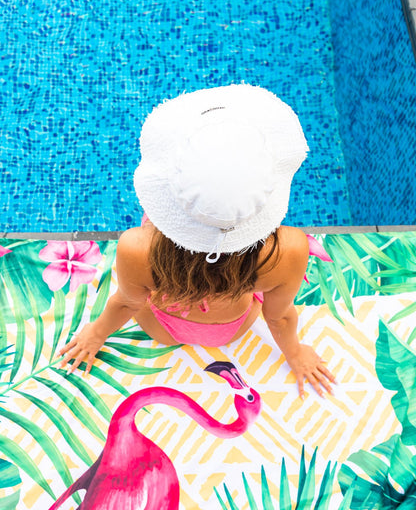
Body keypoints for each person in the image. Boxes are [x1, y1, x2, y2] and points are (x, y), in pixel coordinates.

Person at [59, 84, 336, 399]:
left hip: (163, 328)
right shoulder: (287, 249)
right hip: (232, 329)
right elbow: (279, 316)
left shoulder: (137, 248)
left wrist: (95, 335)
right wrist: (295, 353)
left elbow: (126, 302)